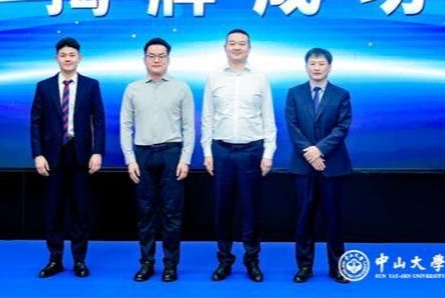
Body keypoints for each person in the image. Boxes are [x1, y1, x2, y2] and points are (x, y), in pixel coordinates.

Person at [201, 29, 276, 282]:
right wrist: (207, 152)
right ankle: (224, 261)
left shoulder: (260, 78)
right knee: (223, 210)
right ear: (225, 48)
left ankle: (252, 261)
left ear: (249, 48)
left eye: (241, 44)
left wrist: (268, 153)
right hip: (221, 151)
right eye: (232, 43)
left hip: (252, 151)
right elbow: (207, 117)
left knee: (251, 210)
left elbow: (268, 117)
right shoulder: (214, 77)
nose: (236, 47)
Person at [120, 37, 194, 283]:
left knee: (172, 213)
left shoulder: (181, 88)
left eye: (161, 56)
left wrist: (185, 159)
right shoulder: (133, 89)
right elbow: (126, 126)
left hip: (172, 153)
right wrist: (130, 160)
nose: (156, 60)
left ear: (168, 59)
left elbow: (189, 127)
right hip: (143, 154)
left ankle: (170, 265)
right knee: (145, 212)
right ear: (144, 59)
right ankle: (147, 263)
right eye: (151, 56)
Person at [30, 37, 105, 278]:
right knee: (53, 210)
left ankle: (80, 260)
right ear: (57, 59)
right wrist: (38, 154)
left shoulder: (91, 85)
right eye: (63, 55)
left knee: (81, 210)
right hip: (52, 156)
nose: (68, 58)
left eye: (72, 54)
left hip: (81, 154)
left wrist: (97, 152)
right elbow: (35, 123)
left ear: (79, 58)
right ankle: (55, 260)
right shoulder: (44, 86)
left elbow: (99, 121)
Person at [285, 47, 352, 284]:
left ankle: (337, 267)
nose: (317, 68)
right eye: (312, 63)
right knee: (304, 217)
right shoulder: (294, 93)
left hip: (332, 165)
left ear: (329, 67)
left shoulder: (341, 94)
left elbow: (342, 127)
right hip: (303, 166)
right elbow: (292, 126)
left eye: (321, 63)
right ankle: (304, 267)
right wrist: (310, 152)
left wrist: (319, 149)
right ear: (306, 67)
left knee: (334, 219)